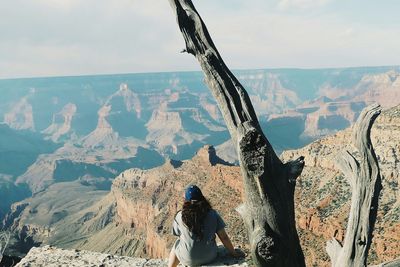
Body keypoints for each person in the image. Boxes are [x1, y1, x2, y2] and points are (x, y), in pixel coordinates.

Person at [168, 185, 241, 267]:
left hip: (188, 260)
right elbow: (224, 237)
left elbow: (178, 234)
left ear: (186, 200)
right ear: (202, 198)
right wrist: (234, 253)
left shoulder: (180, 216)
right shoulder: (213, 214)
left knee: (178, 242)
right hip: (209, 257)